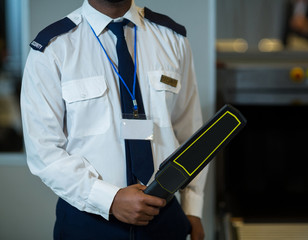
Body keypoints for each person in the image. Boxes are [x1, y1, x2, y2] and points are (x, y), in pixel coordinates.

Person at [20, 0, 207, 239]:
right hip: (88, 220)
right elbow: (43, 151)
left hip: (165, 216)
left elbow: (190, 132)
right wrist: (111, 200)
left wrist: (193, 207)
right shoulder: (54, 48)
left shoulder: (172, 38)